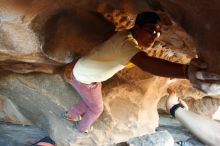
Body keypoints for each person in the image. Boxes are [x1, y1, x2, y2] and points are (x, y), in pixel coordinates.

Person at [63, 11, 220, 133]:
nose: (154, 37)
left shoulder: (126, 35)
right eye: (151, 30)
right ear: (137, 27)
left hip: (85, 74)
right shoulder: (127, 44)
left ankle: (71, 114)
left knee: (90, 99)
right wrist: (186, 71)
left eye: (158, 34)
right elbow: (146, 63)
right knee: (97, 108)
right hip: (85, 78)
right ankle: (81, 129)